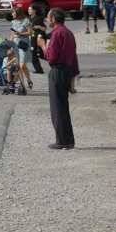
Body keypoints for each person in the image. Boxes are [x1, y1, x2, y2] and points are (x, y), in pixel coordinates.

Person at [38, 9, 78, 149]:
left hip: (58, 71)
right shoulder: (68, 32)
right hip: (67, 71)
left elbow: (51, 57)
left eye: (48, 18)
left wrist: (42, 45)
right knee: (63, 107)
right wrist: (73, 79)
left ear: (53, 18)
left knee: (57, 108)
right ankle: (68, 139)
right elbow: (74, 57)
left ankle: (62, 140)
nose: (47, 20)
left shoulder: (57, 33)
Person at [9, 7, 34, 89]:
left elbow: (30, 33)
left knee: (22, 64)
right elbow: (12, 35)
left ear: (18, 14)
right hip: (16, 44)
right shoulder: (13, 22)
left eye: (14, 13)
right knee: (19, 65)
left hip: (23, 44)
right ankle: (24, 83)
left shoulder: (26, 21)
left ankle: (27, 80)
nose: (12, 15)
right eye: (12, 13)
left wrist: (21, 33)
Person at [28, 5, 47, 74]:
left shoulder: (38, 18)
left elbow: (44, 28)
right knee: (33, 54)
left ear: (34, 11)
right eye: (28, 9)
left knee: (41, 54)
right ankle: (39, 70)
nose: (28, 11)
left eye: (30, 9)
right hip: (33, 38)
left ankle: (56, 61)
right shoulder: (30, 19)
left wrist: (38, 26)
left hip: (39, 38)